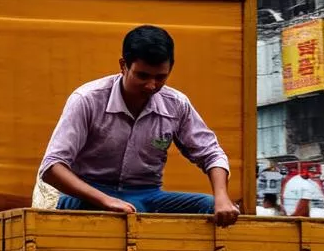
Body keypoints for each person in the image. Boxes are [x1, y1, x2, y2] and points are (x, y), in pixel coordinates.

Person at [39, 25, 240, 226]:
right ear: (123, 66)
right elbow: (51, 167)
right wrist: (106, 201)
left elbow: (212, 154)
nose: (151, 85)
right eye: (142, 76)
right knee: (112, 210)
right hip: (89, 196)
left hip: (147, 196)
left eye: (160, 77)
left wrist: (222, 197)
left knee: (208, 205)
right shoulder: (87, 100)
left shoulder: (176, 104)